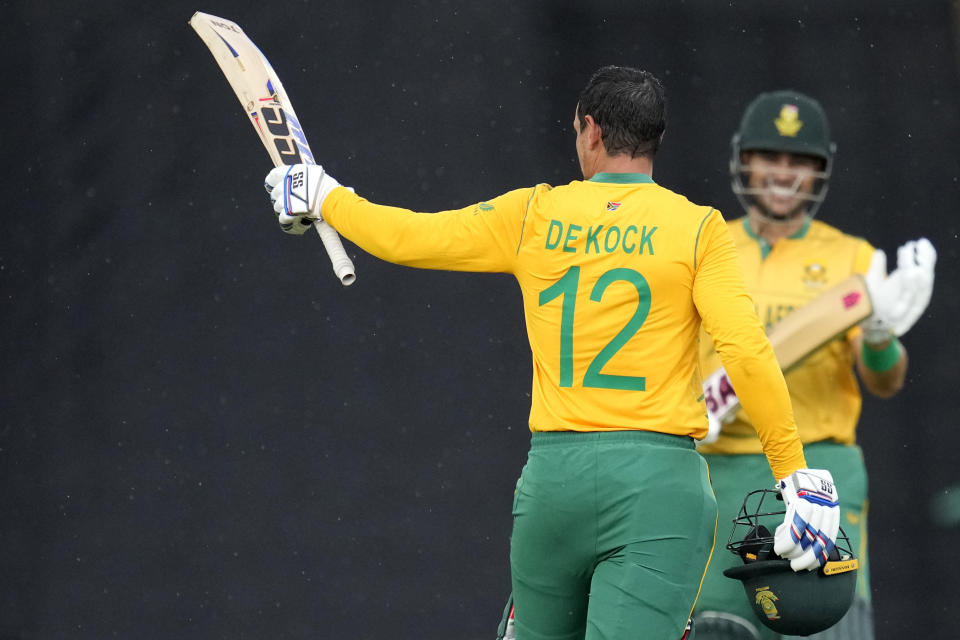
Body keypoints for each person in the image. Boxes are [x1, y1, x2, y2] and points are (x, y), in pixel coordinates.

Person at [264, 67, 842, 640]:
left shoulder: (533, 215)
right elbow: (745, 350)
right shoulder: (699, 229)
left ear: (589, 130)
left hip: (553, 483)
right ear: (656, 139)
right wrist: (793, 469)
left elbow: (407, 237)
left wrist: (326, 195)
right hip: (658, 484)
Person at [691, 90, 936, 640]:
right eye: (769, 157)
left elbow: (885, 380)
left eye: (799, 161)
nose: (783, 173)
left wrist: (878, 335)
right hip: (715, 475)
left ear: (819, 171)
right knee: (714, 629)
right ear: (743, 161)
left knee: (829, 626)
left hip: (819, 474)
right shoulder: (706, 248)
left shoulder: (855, 259)